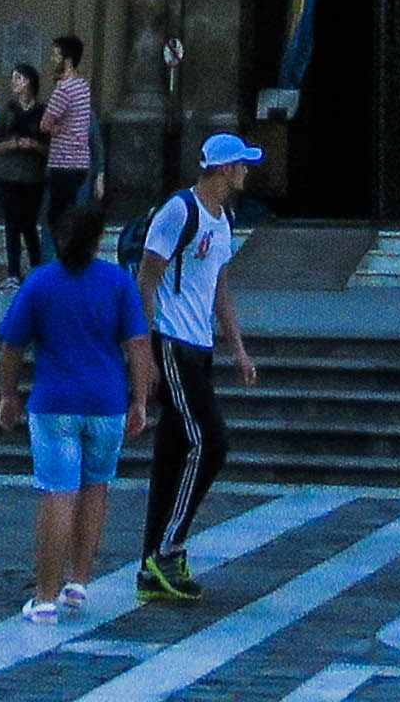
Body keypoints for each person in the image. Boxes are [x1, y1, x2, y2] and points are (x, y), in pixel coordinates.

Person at [0, 198, 153, 623]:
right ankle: (78, 582)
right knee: (96, 488)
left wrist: (8, 395)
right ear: (99, 240)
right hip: (106, 403)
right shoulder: (118, 282)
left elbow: (12, 345)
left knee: (58, 493)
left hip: (55, 403)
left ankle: (45, 596)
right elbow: (138, 344)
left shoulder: (40, 282)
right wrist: (139, 399)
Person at [128, 131, 264, 606]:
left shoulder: (224, 219)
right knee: (211, 442)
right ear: (224, 169)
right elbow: (146, 281)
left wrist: (238, 350)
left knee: (172, 455)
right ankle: (169, 547)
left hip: (200, 346)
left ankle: (152, 563)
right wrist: (144, 354)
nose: (246, 172)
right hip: (172, 343)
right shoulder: (178, 212)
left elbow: (220, 289)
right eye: (241, 164)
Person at [0, 64, 53, 284]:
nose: (14, 82)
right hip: (9, 175)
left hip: (33, 176)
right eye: (13, 78)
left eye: (19, 78)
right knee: (12, 223)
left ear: (29, 82)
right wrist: (13, 144)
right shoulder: (8, 111)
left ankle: (36, 268)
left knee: (29, 224)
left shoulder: (42, 112)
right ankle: (13, 272)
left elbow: (51, 146)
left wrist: (34, 145)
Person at [40, 34, 97, 239]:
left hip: (63, 161)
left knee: (56, 216)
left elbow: (45, 124)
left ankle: (63, 252)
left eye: (56, 55)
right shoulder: (83, 86)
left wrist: (56, 128)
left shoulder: (63, 90)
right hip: (80, 161)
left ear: (67, 60)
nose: (52, 60)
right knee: (69, 212)